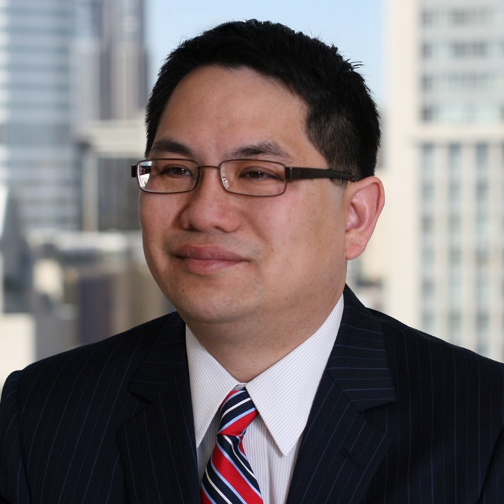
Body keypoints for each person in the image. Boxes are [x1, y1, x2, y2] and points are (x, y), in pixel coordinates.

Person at [0, 19, 503, 504]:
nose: (204, 212)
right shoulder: (42, 416)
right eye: (175, 170)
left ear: (355, 216)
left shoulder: (484, 424)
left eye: (258, 174)